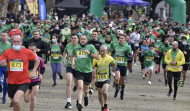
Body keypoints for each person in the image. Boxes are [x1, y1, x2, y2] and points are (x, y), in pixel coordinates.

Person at [0, 34, 40, 111]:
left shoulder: (27, 52)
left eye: (18, 42)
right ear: (11, 41)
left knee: (16, 100)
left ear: (21, 42)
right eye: (14, 41)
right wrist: (1, 63)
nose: (16, 43)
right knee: (15, 104)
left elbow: (37, 60)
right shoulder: (7, 52)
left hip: (23, 81)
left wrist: (34, 71)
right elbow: (1, 60)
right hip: (11, 82)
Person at [71, 35, 99, 111]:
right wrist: (72, 63)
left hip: (88, 71)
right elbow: (72, 56)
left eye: (84, 39)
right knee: (80, 87)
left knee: (86, 90)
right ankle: (79, 104)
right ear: (79, 40)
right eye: (81, 39)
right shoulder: (76, 47)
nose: (82, 40)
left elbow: (97, 57)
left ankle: (86, 96)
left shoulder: (91, 47)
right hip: (79, 70)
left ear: (87, 40)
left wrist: (89, 53)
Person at [93, 45, 117, 111]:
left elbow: (115, 63)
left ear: (106, 51)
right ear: (99, 51)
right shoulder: (96, 58)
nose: (102, 52)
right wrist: (94, 69)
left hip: (106, 78)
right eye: (101, 51)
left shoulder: (109, 58)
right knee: (100, 94)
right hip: (98, 79)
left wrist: (112, 71)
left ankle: (106, 104)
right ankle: (102, 106)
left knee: (104, 91)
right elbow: (92, 66)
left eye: (104, 51)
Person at [24, 43, 45, 111]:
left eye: (32, 50)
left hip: (36, 80)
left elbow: (43, 68)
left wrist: (41, 74)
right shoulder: (25, 59)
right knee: (26, 100)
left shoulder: (39, 59)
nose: (31, 51)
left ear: (36, 50)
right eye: (29, 50)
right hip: (26, 81)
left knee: (33, 97)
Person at [112, 35, 132, 100]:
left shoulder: (127, 47)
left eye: (122, 38)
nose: (121, 39)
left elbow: (130, 56)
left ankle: (122, 91)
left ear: (124, 40)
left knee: (122, 80)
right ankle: (117, 90)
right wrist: (112, 57)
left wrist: (127, 55)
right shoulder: (115, 46)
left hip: (123, 65)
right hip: (117, 64)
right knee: (117, 78)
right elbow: (113, 52)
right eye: (120, 38)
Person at [63, 34, 79, 108]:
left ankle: (79, 99)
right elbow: (65, 52)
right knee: (68, 81)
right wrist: (64, 60)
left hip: (79, 67)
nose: (74, 39)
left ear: (78, 39)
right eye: (72, 38)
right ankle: (68, 102)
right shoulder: (68, 46)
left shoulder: (80, 47)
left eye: (75, 38)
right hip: (69, 66)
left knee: (77, 84)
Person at [88, 30, 102, 94]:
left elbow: (101, 52)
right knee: (89, 74)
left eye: (95, 34)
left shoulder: (100, 43)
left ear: (97, 35)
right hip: (89, 60)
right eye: (93, 34)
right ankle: (88, 85)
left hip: (96, 60)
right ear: (91, 35)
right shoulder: (88, 43)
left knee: (94, 74)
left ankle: (91, 88)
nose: (94, 35)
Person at [0, 31, 12, 103]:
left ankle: (4, 97)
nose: (2, 36)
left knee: (5, 83)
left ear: (8, 37)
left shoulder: (10, 45)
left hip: (7, 67)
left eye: (4, 35)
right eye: (1, 35)